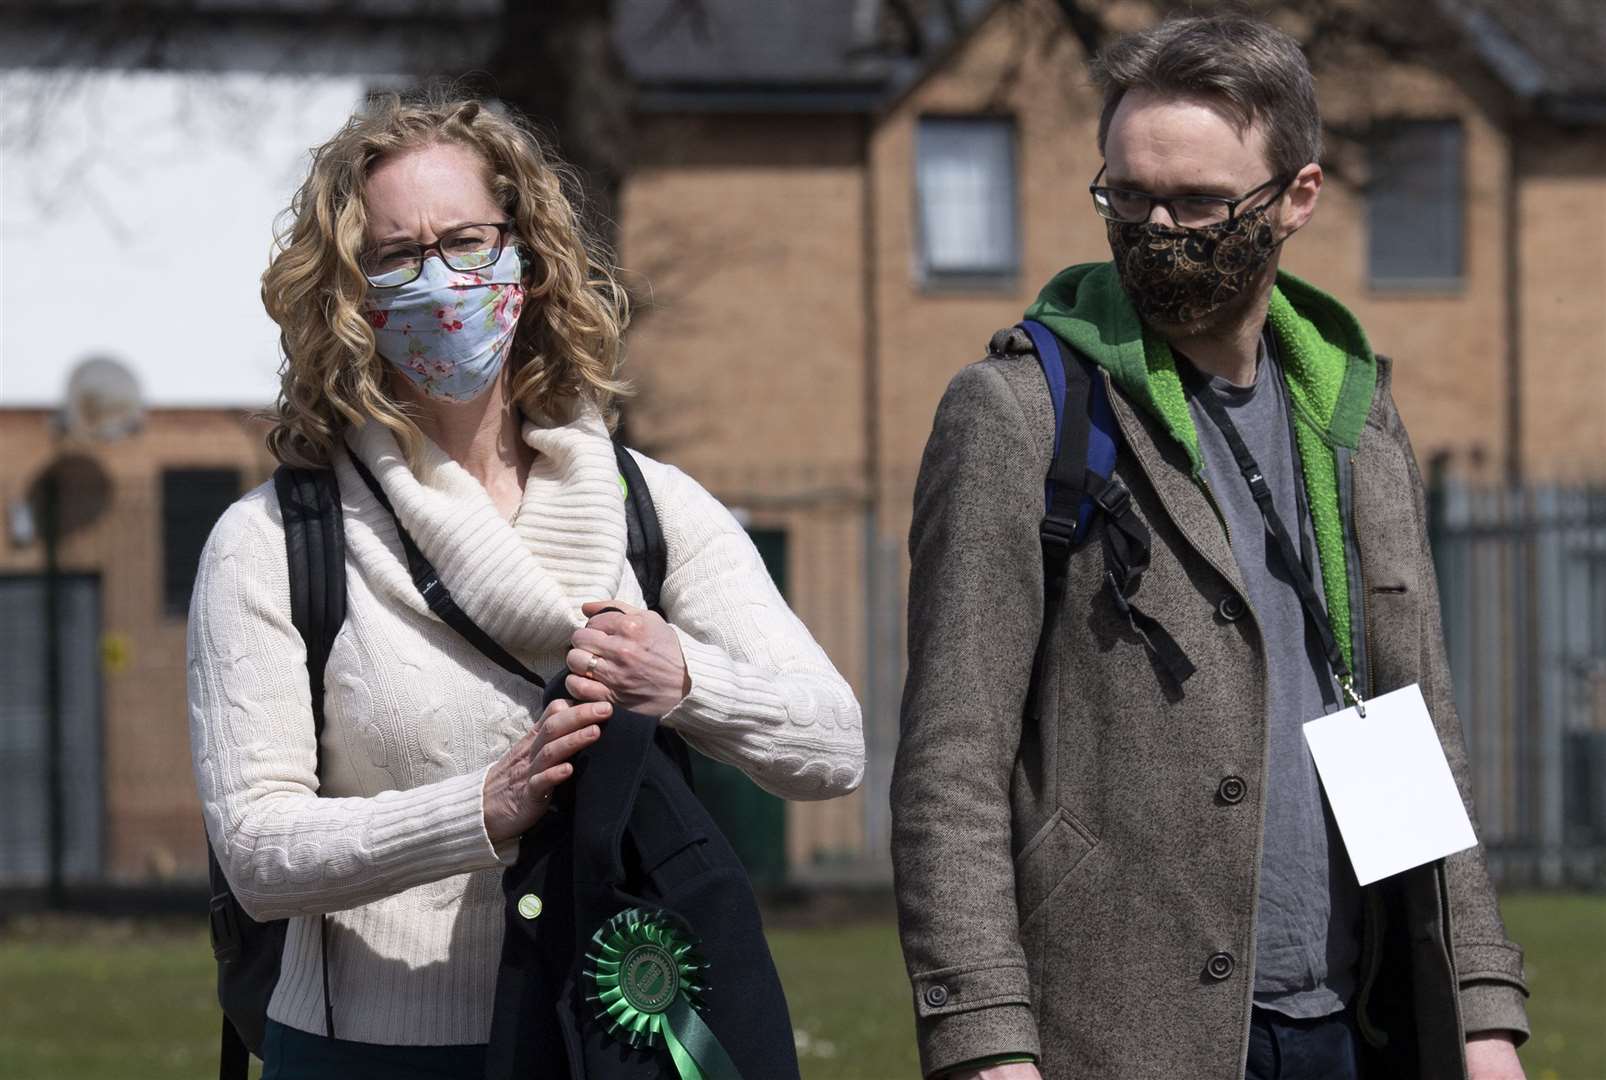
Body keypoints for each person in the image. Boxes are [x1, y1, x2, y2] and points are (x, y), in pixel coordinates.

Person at [891, 14, 1528, 1080]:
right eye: (1127, 197)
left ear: (1298, 199)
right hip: (1113, 1037)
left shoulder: (1355, 425)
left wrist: (1481, 1012)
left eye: (1197, 203)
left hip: (1359, 1029)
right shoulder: (1016, 415)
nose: (1157, 230)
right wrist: (984, 1045)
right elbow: (951, 767)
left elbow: (1410, 731)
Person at [188, 91, 864, 1078]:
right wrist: (480, 809)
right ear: (348, 293)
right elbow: (255, 848)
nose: (442, 282)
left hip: (606, 1037)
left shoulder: (652, 509)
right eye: (397, 256)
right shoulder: (274, 541)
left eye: (466, 242)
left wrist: (684, 683)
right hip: (367, 1052)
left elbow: (833, 746)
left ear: (527, 259)